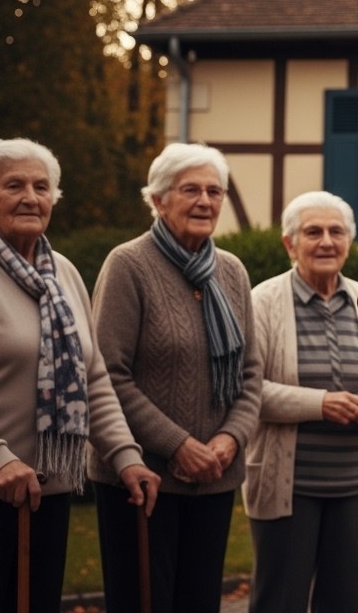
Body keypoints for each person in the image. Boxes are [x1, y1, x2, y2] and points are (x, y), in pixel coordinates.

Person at [0, 138, 160, 613]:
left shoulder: (60, 271)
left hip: (49, 491)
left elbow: (92, 376)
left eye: (42, 186)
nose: (31, 197)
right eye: (14, 185)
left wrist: (126, 457)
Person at [87, 142, 262, 613]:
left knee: (199, 603)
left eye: (214, 190)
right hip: (141, 479)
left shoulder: (231, 271)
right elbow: (107, 373)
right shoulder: (128, 265)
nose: (205, 201)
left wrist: (228, 441)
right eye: (191, 190)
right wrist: (179, 445)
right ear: (158, 200)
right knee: (143, 601)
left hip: (216, 478)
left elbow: (251, 373)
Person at [243, 191, 358, 612]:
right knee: (281, 600)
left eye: (337, 232)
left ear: (349, 241)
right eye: (312, 232)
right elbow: (248, 390)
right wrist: (321, 404)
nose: (326, 242)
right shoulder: (262, 301)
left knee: (343, 600)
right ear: (289, 243)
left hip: (352, 485)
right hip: (288, 486)